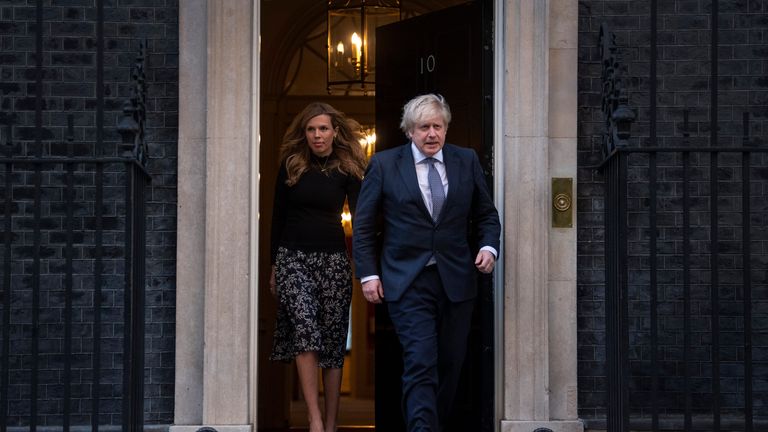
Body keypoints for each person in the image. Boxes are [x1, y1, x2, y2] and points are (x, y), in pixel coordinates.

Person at [353, 94, 501, 431]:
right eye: (424, 128)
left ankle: (432, 423)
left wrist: (489, 248)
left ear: (446, 128)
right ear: (409, 132)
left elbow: (486, 215)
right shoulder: (384, 164)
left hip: (456, 279)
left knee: (451, 363)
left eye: (438, 126)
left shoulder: (466, 161)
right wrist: (368, 274)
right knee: (421, 361)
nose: (431, 134)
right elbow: (362, 224)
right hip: (408, 281)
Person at [269, 102, 367, 432]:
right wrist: (273, 267)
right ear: (304, 133)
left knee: (333, 341)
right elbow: (277, 218)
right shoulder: (291, 165)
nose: (317, 135)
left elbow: (362, 219)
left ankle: (332, 421)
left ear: (335, 131)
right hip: (292, 257)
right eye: (311, 129)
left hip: (334, 260)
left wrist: (366, 266)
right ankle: (314, 419)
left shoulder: (348, 168)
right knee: (306, 331)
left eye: (323, 128)